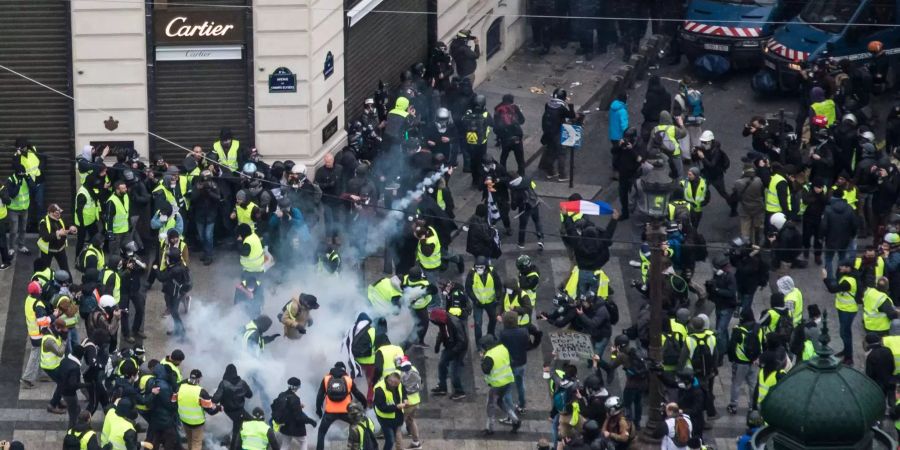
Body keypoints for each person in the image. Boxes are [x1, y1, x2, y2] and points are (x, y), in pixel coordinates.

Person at [315, 362, 367, 450]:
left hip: (330, 412)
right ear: (344, 369)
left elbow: (320, 396)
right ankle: (359, 447)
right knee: (358, 427)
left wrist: (318, 410)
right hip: (346, 411)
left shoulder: (326, 379)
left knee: (321, 433)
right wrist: (364, 403)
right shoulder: (348, 379)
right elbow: (357, 394)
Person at [479, 335, 520, 434]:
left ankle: (490, 428)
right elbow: (510, 361)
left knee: (490, 406)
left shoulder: (489, 356)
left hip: (497, 385)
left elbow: (486, 370)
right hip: (508, 380)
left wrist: (482, 359)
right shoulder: (503, 348)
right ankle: (515, 420)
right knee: (500, 402)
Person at [429, 307, 468, 400]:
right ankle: (442, 387)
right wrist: (437, 345)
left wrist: (453, 352)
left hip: (458, 349)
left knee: (453, 371)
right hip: (450, 347)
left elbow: (462, 341)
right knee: (441, 365)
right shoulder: (443, 321)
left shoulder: (455, 323)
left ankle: (459, 391)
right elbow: (442, 332)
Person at [213, 364, 254, 450]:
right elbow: (250, 395)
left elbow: (215, 399)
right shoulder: (242, 383)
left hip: (228, 411)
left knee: (239, 428)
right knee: (247, 425)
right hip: (239, 411)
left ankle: (235, 444)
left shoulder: (224, 383)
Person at [727, 309, 760, 414]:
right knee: (753, 384)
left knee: (736, 384)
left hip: (740, 361)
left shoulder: (738, 330)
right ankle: (752, 406)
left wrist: (732, 359)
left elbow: (732, 347)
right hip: (754, 361)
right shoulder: (758, 329)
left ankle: (733, 405)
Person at [177, 369, 219, 450]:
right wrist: (218, 408)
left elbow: (174, 400)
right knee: (196, 442)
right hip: (197, 423)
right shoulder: (201, 391)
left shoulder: (181, 387)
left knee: (190, 440)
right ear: (199, 379)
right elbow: (211, 411)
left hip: (184, 420)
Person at [540, 89, 576, 182]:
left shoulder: (548, 105)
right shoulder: (561, 108)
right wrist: (571, 107)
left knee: (550, 152)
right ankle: (562, 175)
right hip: (557, 133)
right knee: (561, 154)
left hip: (548, 133)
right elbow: (571, 116)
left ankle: (550, 172)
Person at [465, 256, 503, 343]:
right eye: (477, 267)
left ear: (486, 266)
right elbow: (468, 288)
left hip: (490, 302)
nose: (479, 269)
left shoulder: (492, 272)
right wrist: (475, 300)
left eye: (481, 267)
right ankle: (479, 343)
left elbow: (498, 286)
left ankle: (491, 335)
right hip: (478, 303)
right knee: (478, 324)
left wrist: (497, 297)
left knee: (493, 319)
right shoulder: (472, 273)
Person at [271, 377, 317, 450]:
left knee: (285, 444)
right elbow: (299, 417)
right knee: (304, 442)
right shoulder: (295, 399)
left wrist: (298, 406)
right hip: (295, 428)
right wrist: (311, 421)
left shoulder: (281, 395)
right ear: (296, 387)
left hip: (285, 426)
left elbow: (282, 407)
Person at [461, 94, 493, 187]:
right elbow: (492, 123)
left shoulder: (468, 113)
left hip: (469, 142)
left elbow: (462, 123)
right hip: (481, 143)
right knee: (481, 161)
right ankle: (481, 180)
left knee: (473, 161)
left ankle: (474, 180)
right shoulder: (486, 114)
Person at [509, 171, 544, 250]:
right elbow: (534, 187)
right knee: (537, 221)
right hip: (534, 204)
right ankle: (540, 239)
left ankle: (521, 243)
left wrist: (513, 206)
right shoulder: (527, 179)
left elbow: (514, 203)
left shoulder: (514, 189)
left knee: (522, 226)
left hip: (524, 209)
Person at [731, 163, 765, 245]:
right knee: (757, 227)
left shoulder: (738, 183)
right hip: (757, 208)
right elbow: (762, 193)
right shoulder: (758, 180)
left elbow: (735, 195)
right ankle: (756, 243)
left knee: (745, 227)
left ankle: (746, 244)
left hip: (744, 208)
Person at [373, 371, 408, 450]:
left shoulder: (398, 384)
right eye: (395, 384)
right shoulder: (379, 389)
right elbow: (382, 407)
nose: (397, 386)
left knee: (397, 434)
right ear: (391, 382)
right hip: (385, 419)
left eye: (398, 384)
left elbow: (403, 390)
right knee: (390, 441)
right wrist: (397, 407)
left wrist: (405, 399)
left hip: (397, 416)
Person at [37, 203, 75, 271]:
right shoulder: (43, 222)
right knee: (45, 271)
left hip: (60, 249)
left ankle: (69, 282)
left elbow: (66, 226)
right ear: (50, 213)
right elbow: (45, 237)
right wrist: (58, 234)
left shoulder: (60, 219)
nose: (59, 215)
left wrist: (71, 227)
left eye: (59, 212)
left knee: (66, 269)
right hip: (48, 251)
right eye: (57, 213)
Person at [493, 94, 526, 172]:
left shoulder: (498, 109)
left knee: (504, 157)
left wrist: (499, 137)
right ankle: (521, 174)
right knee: (520, 158)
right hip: (517, 136)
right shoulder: (514, 108)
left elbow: (496, 126)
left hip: (505, 137)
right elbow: (522, 120)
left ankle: (502, 173)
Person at [397, 357, 423, 449]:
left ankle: (399, 448)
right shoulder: (414, 369)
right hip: (416, 401)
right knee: (411, 420)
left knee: (397, 427)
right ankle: (416, 443)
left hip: (406, 403)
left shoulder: (400, 373)